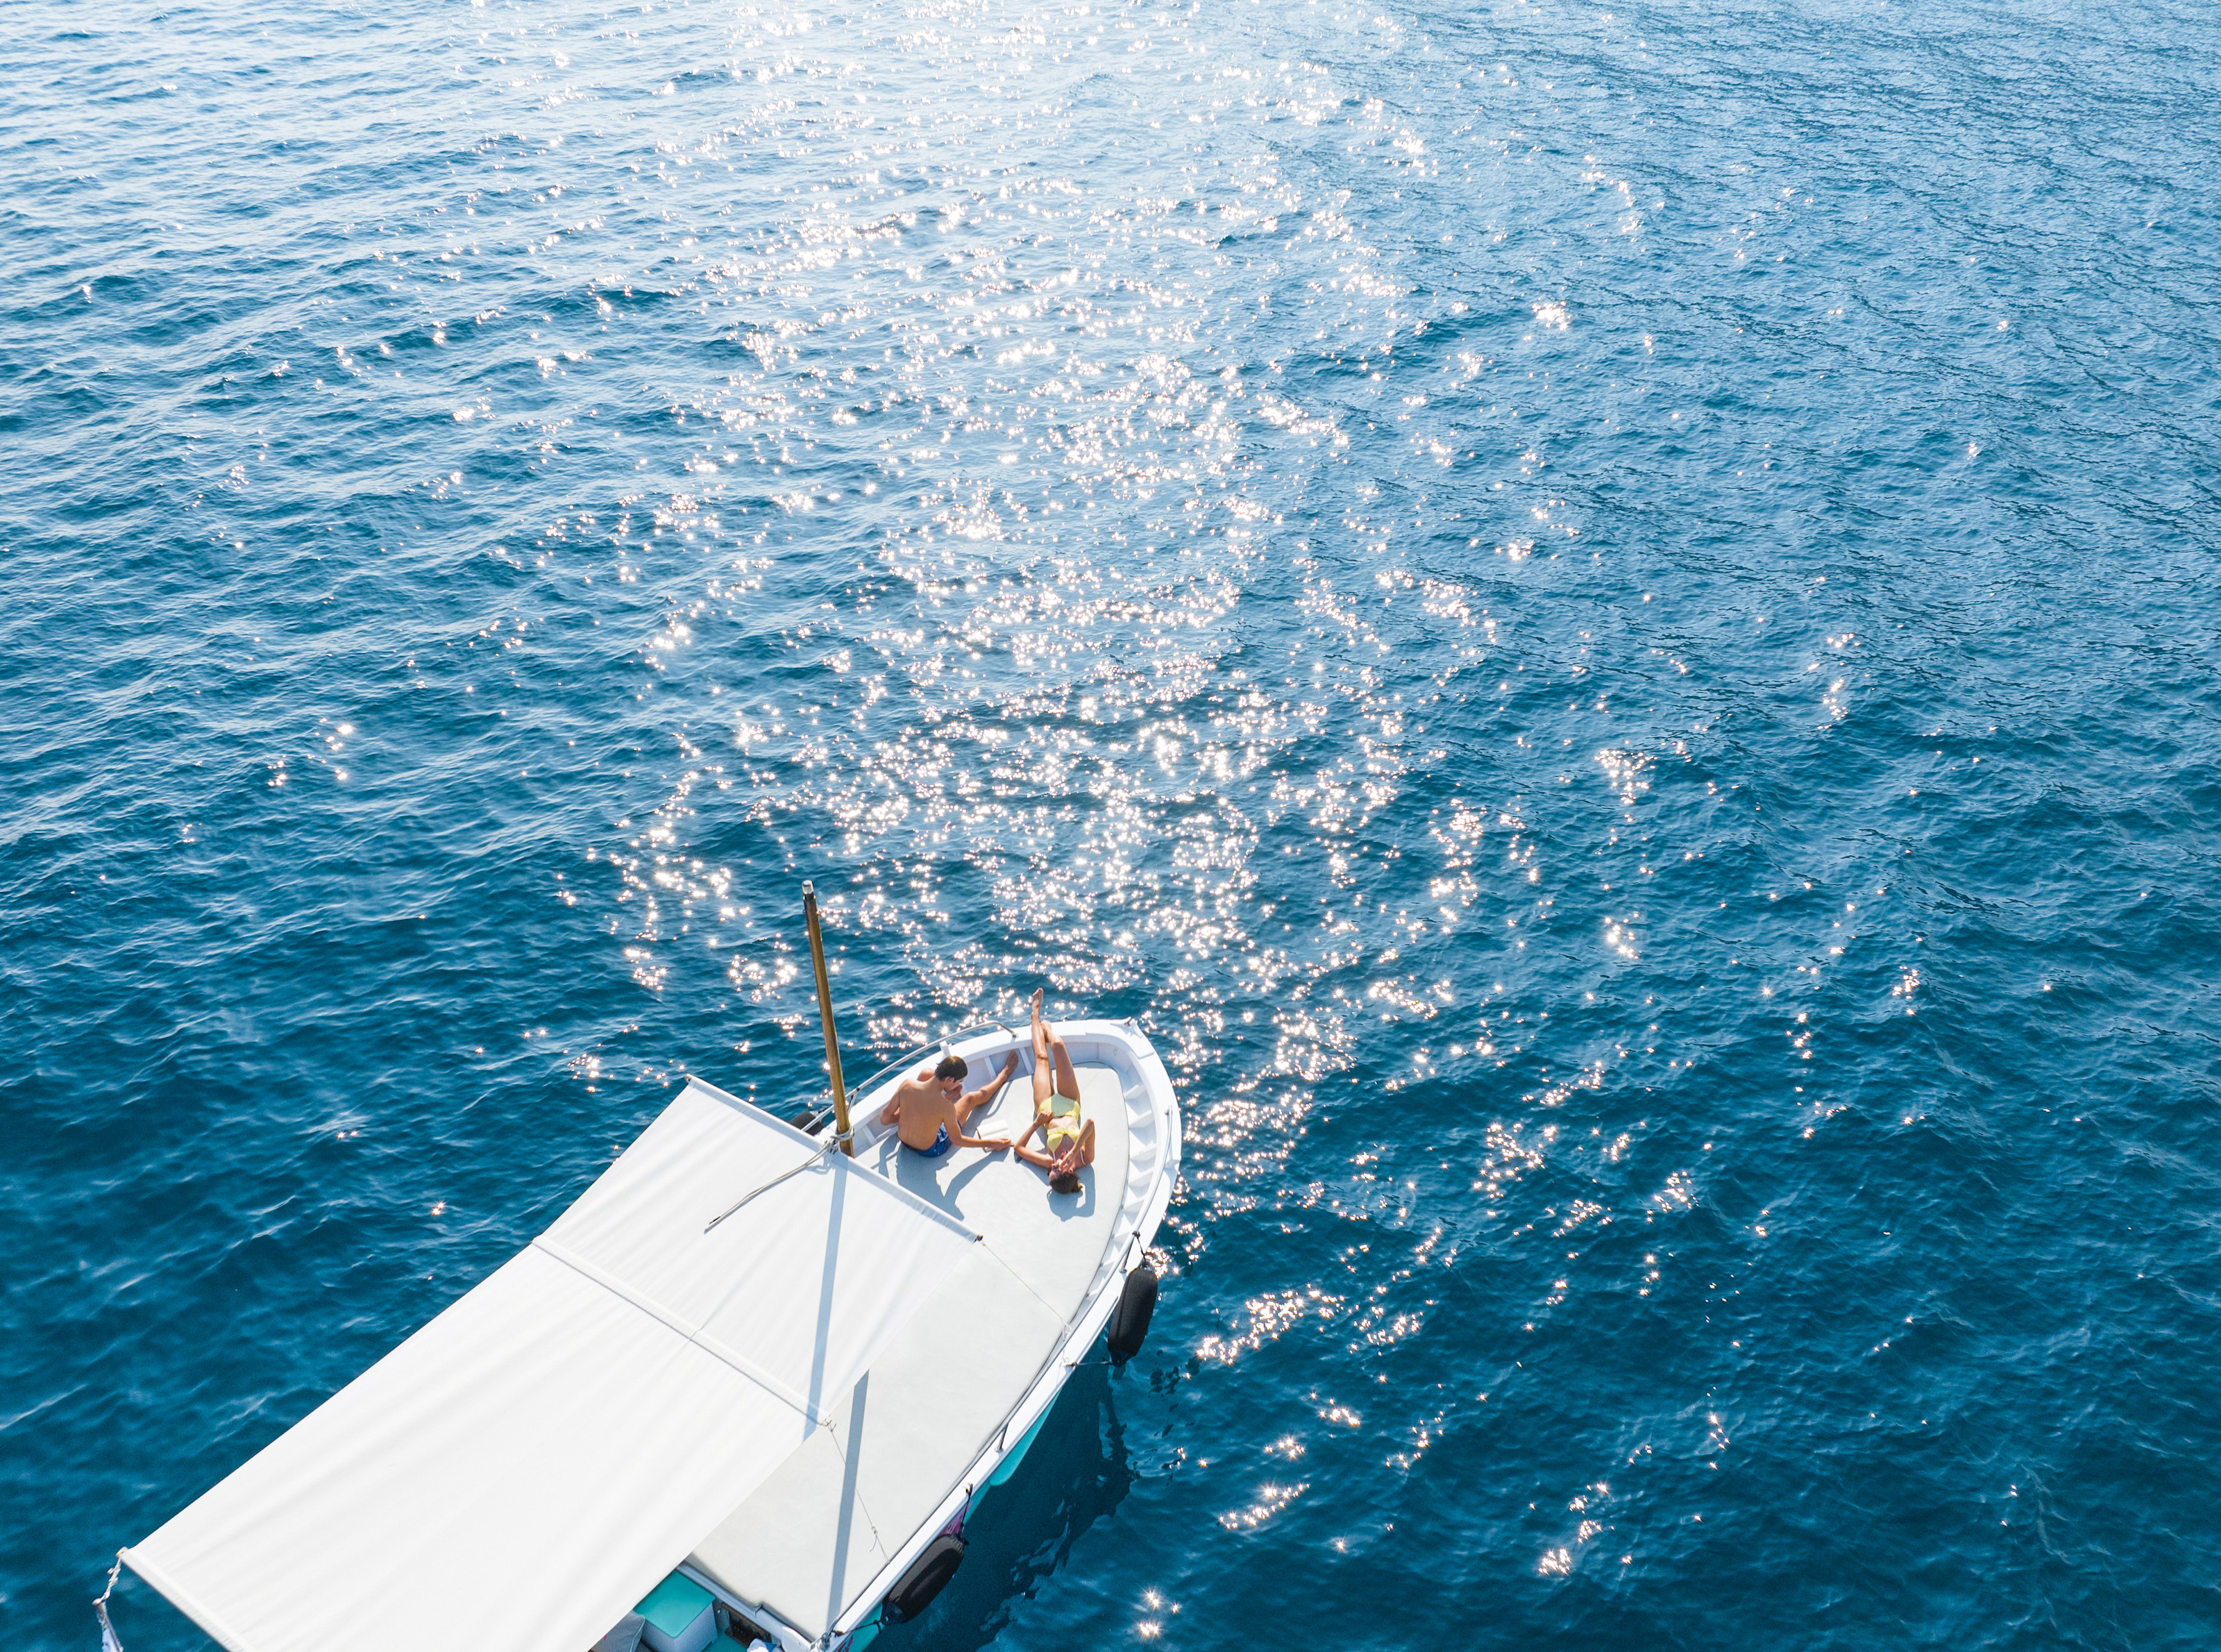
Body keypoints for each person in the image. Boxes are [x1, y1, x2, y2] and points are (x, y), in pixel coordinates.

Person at [1013, 990, 1095, 1195]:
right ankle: (1047, 1030)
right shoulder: (1085, 1158)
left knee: (1042, 1057)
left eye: (1052, 1171)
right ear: (1068, 1172)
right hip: (1069, 1104)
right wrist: (1075, 1150)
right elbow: (1090, 1124)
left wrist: (1037, 1123)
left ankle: (1034, 1014)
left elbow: (1019, 1149)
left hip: (1046, 1108)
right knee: (1057, 1045)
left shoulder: (1050, 1160)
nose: (1054, 1166)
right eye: (1057, 1170)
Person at [879, 1048, 1017, 1158]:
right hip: (930, 1149)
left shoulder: (907, 1085)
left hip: (904, 1141)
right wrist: (992, 1143)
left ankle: (929, 1104)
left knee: (926, 1073)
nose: (959, 1085)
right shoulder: (946, 1108)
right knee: (970, 1099)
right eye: (959, 1082)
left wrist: (912, 1110)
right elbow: (957, 1140)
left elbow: (885, 1118)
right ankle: (1003, 1076)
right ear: (950, 1080)